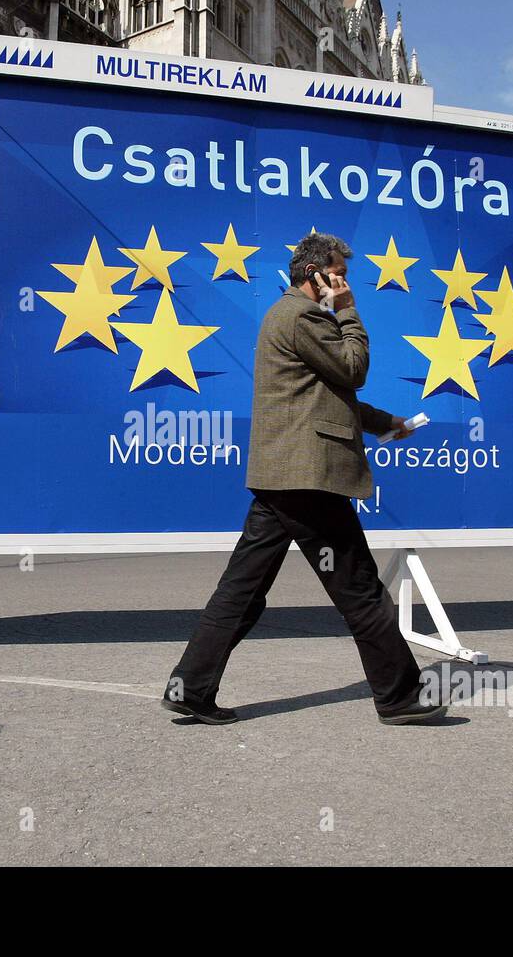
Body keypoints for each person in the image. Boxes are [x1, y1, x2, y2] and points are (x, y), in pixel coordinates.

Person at [161, 232, 444, 727]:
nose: (344, 282)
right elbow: (353, 369)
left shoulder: (286, 316)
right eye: (338, 273)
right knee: (359, 588)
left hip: (282, 477)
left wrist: (386, 424)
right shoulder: (305, 315)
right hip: (307, 476)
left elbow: (330, 396)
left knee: (242, 590)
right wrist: (348, 310)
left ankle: (191, 687)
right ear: (314, 274)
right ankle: (399, 696)